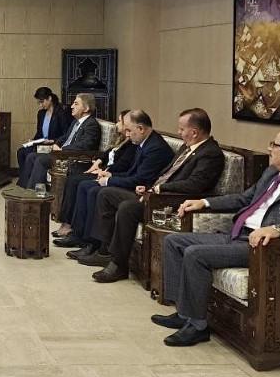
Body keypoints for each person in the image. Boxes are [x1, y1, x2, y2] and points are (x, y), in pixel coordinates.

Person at [153, 128, 280, 346]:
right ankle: (184, 313)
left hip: (262, 246)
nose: (269, 149)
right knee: (173, 241)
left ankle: (198, 327)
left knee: (195, 254)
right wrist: (204, 202)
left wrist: (278, 229)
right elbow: (244, 199)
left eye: (274, 145)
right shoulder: (272, 173)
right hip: (238, 234)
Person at [82, 108, 225, 282]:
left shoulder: (210, 153)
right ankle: (104, 250)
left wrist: (160, 189)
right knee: (106, 194)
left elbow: (195, 185)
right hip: (154, 194)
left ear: (194, 132)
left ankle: (119, 265)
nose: (178, 132)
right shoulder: (186, 147)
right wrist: (149, 187)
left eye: (181, 129)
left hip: (172, 201)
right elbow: (166, 173)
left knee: (128, 208)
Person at [65, 109, 174, 260]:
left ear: (141, 128)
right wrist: (111, 176)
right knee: (89, 187)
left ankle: (100, 247)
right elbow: (131, 173)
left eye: (128, 130)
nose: (126, 134)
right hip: (138, 185)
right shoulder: (144, 142)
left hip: (143, 191)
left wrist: (109, 180)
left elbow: (138, 179)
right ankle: (87, 240)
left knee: (98, 191)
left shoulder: (155, 148)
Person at [52, 109, 136, 245]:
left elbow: (123, 165)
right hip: (103, 169)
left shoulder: (133, 144)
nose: (117, 124)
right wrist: (98, 161)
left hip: (111, 174)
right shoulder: (122, 140)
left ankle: (77, 232)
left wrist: (104, 171)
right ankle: (68, 225)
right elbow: (107, 153)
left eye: (120, 121)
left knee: (80, 183)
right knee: (73, 178)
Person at [17, 93, 101, 189]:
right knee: (31, 156)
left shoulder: (91, 124)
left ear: (86, 108)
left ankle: (32, 192)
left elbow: (85, 145)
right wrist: (57, 143)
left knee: (41, 160)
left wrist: (62, 150)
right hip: (62, 154)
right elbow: (65, 137)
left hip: (72, 158)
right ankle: (23, 189)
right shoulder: (76, 121)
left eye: (76, 104)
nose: (72, 106)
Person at [15, 87, 68, 186]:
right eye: (39, 102)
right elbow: (39, 133)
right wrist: (33, 141)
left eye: (42, 102)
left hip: (54, 144)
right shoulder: (41, 113)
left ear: (49, 98)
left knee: (30, 155)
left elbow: (66, 134)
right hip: (41, 143)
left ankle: (28, 183)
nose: (40, 105)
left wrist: (53, 140)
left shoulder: (61, 113)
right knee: (21, 152)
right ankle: (24, 181)